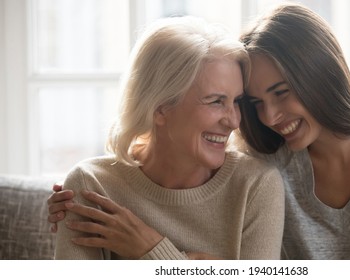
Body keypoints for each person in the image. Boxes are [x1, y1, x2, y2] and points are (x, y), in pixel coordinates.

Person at [48, 3, 350, 260]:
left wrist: (154, 250)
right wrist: (77, 194)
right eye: (256, 102)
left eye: (281, 92)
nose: (268, 117)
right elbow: (174, 151)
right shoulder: (268, 159)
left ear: (318, 75)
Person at [51, 15, 285, 260]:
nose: (234, 121)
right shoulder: (91, 186)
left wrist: (150, 250)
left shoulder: (256, 184)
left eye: (236, 101)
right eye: (216, 101)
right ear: (160, 107)